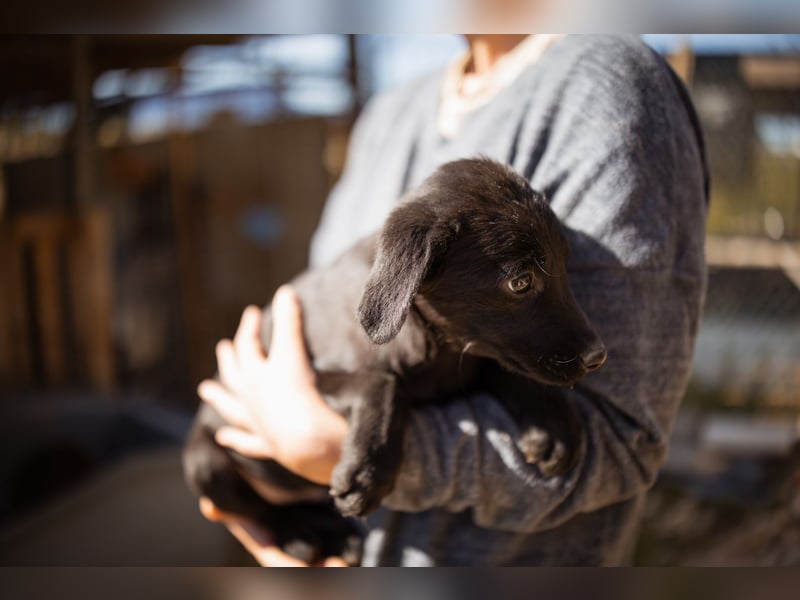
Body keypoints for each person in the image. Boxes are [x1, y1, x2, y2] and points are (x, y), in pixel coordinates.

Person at [196, 34, 709, 566]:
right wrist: (268, 537)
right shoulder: (386, 114)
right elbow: (331, 330)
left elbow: (621, 442)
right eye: (521, 283)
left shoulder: (607, 86)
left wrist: (329, 450)